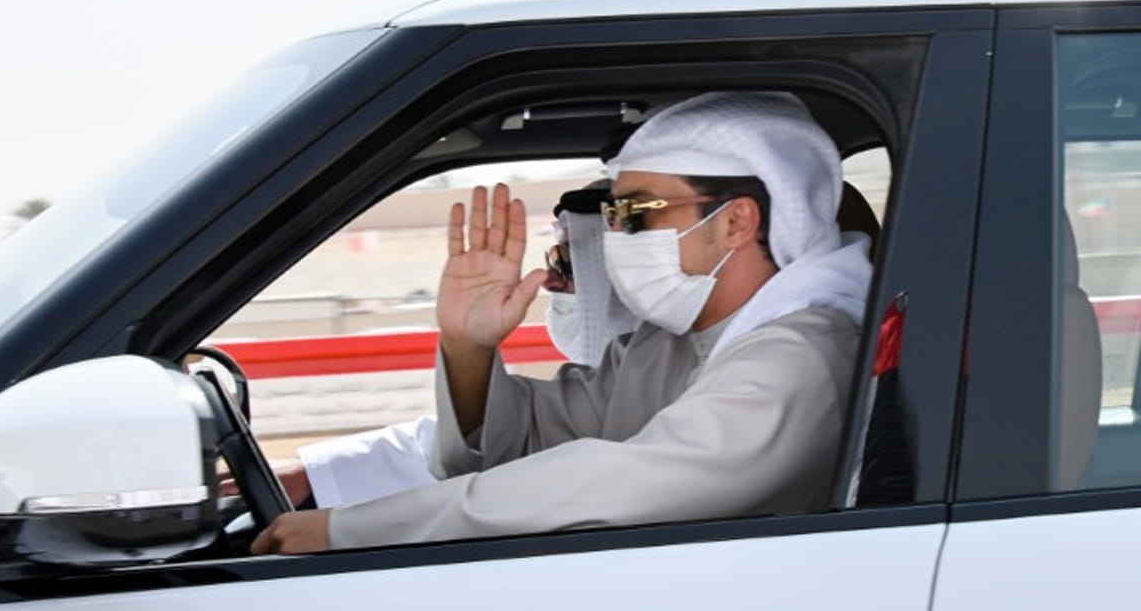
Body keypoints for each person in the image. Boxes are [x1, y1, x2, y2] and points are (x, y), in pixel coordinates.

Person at [251, 92, 873, 553]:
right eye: (610, 213)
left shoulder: (802, 355)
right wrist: (469, 345)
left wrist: (348, 531)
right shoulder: (666, 345)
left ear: (736, 222)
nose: (613, 235)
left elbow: (610, 485)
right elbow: (522, 446)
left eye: (634, 213)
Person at [282, 184, 638, 510]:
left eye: (569, 262)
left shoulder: (668, 381)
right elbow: (499, 439)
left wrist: (327, 512)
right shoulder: (627, 381)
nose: (551, 282)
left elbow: (499, 472)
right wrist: (468, 344)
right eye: (554, 258)